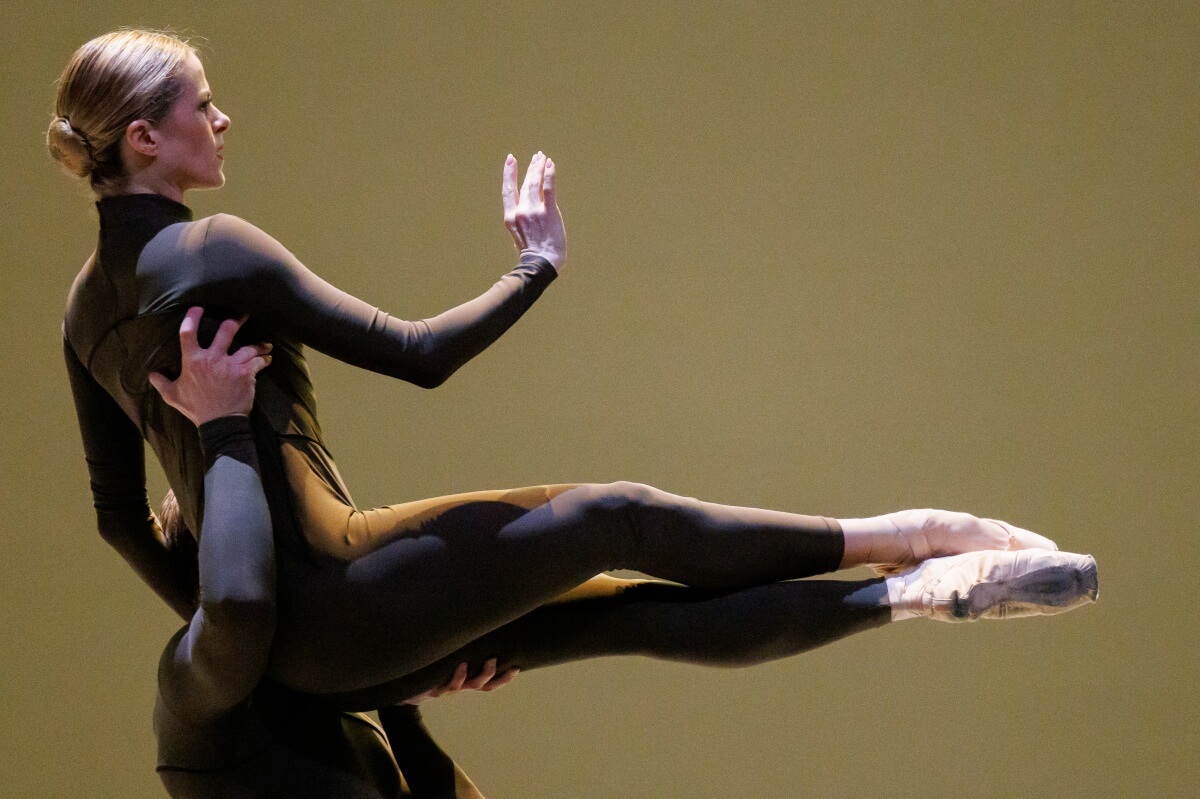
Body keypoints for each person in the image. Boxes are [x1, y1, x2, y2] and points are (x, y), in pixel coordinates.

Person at [51, 29, 1098, 713]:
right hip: (345, 587)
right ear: (146, 138)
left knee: (626, 610)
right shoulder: (213, 249)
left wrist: (247, 643)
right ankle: (910, 539)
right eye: (202, 104)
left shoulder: (81, 314)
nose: (221, 118)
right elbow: (418, 356)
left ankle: (914, 594)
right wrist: (534, 264)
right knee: (618, 515)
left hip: (312, 659)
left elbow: (114, 516)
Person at [151, 309, 508, 798]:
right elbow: (236, 608)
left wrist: (400, 697)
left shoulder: (327, 687)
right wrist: (223, 430)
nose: (311, 561)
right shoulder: (196, 696)